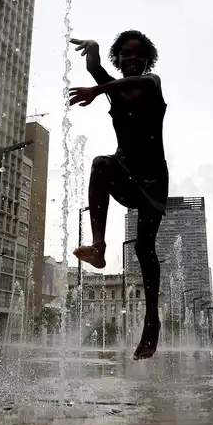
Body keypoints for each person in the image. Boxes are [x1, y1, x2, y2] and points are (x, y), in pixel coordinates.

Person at [68, 31, 167, 360]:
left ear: (147, 59)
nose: (132, 60)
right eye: (125, 55)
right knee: (100, 164)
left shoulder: (153, 82)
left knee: (143, 246)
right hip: (124, 170)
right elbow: (97, 69)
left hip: (152, 179)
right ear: (119, 59)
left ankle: (151, 321)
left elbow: (115, 85)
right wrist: (94, 51)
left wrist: (98, 89)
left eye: (138, 55)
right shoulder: (116, 88)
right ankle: (98, 247)